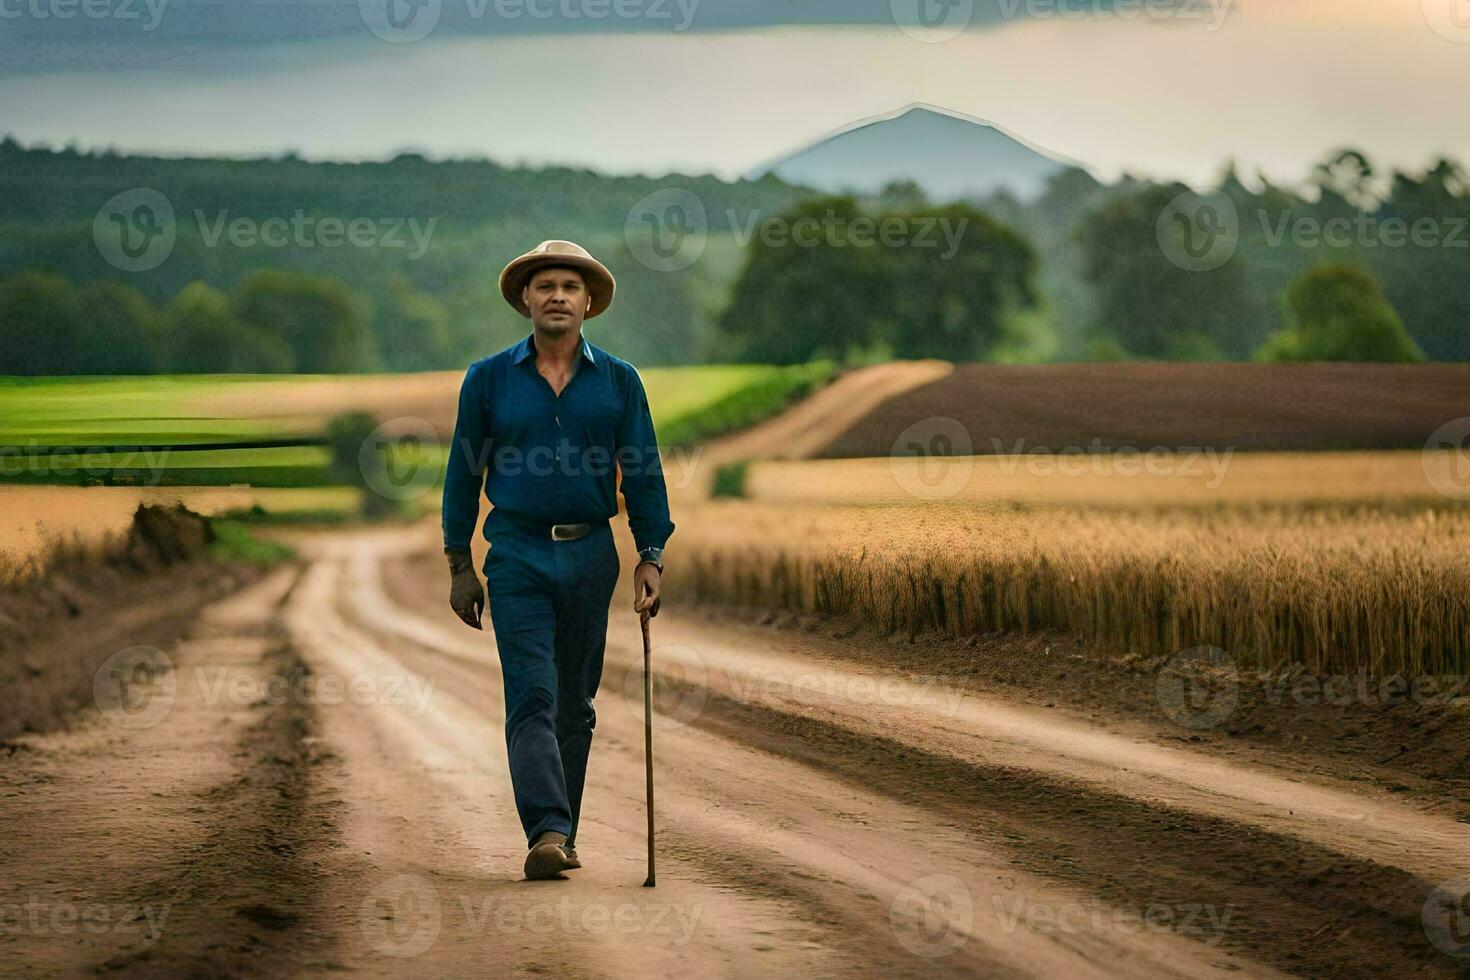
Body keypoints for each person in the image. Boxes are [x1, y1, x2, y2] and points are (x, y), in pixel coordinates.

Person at [440, 240, 674, 880]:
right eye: (545, 286)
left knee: (576, 703)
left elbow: (643, 471)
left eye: (570, 286)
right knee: (533, 694)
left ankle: (562, 829)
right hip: (515, 554)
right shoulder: (487, 380)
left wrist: (650, 553)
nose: (558, 296)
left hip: (590, 554)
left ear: (589, 302)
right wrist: (460, 562)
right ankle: (547, 828)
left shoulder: (620, 382)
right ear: (525, 299)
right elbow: (463, 475)